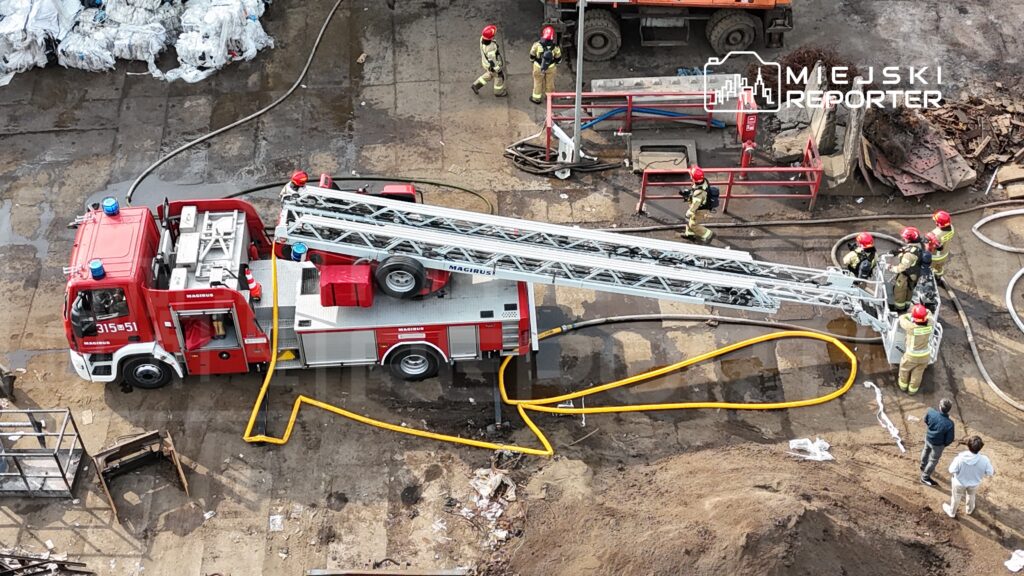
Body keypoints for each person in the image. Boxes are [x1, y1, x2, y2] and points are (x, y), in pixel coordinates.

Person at [943, 435, 995, 518]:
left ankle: (952, 512)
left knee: (956, 497)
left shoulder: (959, 458)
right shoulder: (985, 460)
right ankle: (969, 510)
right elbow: (990, 472)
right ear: (980, 447)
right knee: (971, 496)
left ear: (968, 446)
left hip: (959, 483)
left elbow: (951, 470)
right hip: (974, 483)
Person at [897, 303, 933, 395]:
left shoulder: (911, 327)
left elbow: (902, 318)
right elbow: (929, 312)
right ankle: (912, 391)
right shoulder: (930, 323)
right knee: (918, 374)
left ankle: (903, 387)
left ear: (914, 318)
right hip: (925, 356)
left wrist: (909, 315)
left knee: (904, 370)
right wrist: (921, 311)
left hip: (911, 356)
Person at [920, 398, 955, 486]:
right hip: (938, 445)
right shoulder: (949, 424)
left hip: (928, 437)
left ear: (940, 406)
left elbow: (926, 420)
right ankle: (925, 478)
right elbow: (950, 439)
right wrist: (943, 444)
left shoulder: (931, 412)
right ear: (949, 409)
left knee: (926, 450)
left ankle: (923, 466)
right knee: (933, 461)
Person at [889, 226, 925, 311]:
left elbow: (901, 268)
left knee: (900, 291)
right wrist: (898, 251)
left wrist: (891, 268)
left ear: (909, 239)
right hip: (915, 274)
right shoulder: (920, 245)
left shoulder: (908, 255)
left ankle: (899, 308)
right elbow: (909, 249)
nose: (904, 239)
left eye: (905, 238)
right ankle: (907, 305)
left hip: (906, 275)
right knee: (909, 289)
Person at [677, 166, 714, 244]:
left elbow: (695, 204)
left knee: (693, 224)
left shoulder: (698, 193)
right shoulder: (703, 182)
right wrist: (689, 193)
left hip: (700, 210)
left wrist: (689, 213)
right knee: (690, 220)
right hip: (700, 207)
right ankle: (689, 234)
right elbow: (695, 191)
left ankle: (708, 235)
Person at [529, 26, 561, 105]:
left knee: (538, 82)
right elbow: (558, 59)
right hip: (551, 68)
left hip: (538, 67)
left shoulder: (536, 45)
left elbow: (532, 55)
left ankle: (536, 98)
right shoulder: (555, 47)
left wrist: (533, 61)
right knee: (550, 82)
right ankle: (549, 97)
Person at [472, 24, 507, 97]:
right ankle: (498, 92)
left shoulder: (482, 38)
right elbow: (493, 61)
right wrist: (497, 69)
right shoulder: (490, 48)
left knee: (490, 74)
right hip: (492, 66)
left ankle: (476, 85)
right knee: (499, 77)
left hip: (486, 63)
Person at [928, 210, 955, 278]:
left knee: (928, 269)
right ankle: (939, 277)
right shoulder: (952, 228)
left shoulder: (936, 234)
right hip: (945, 254)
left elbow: (930, 248)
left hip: (935, 257)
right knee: (939, 268)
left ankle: (931, 279)